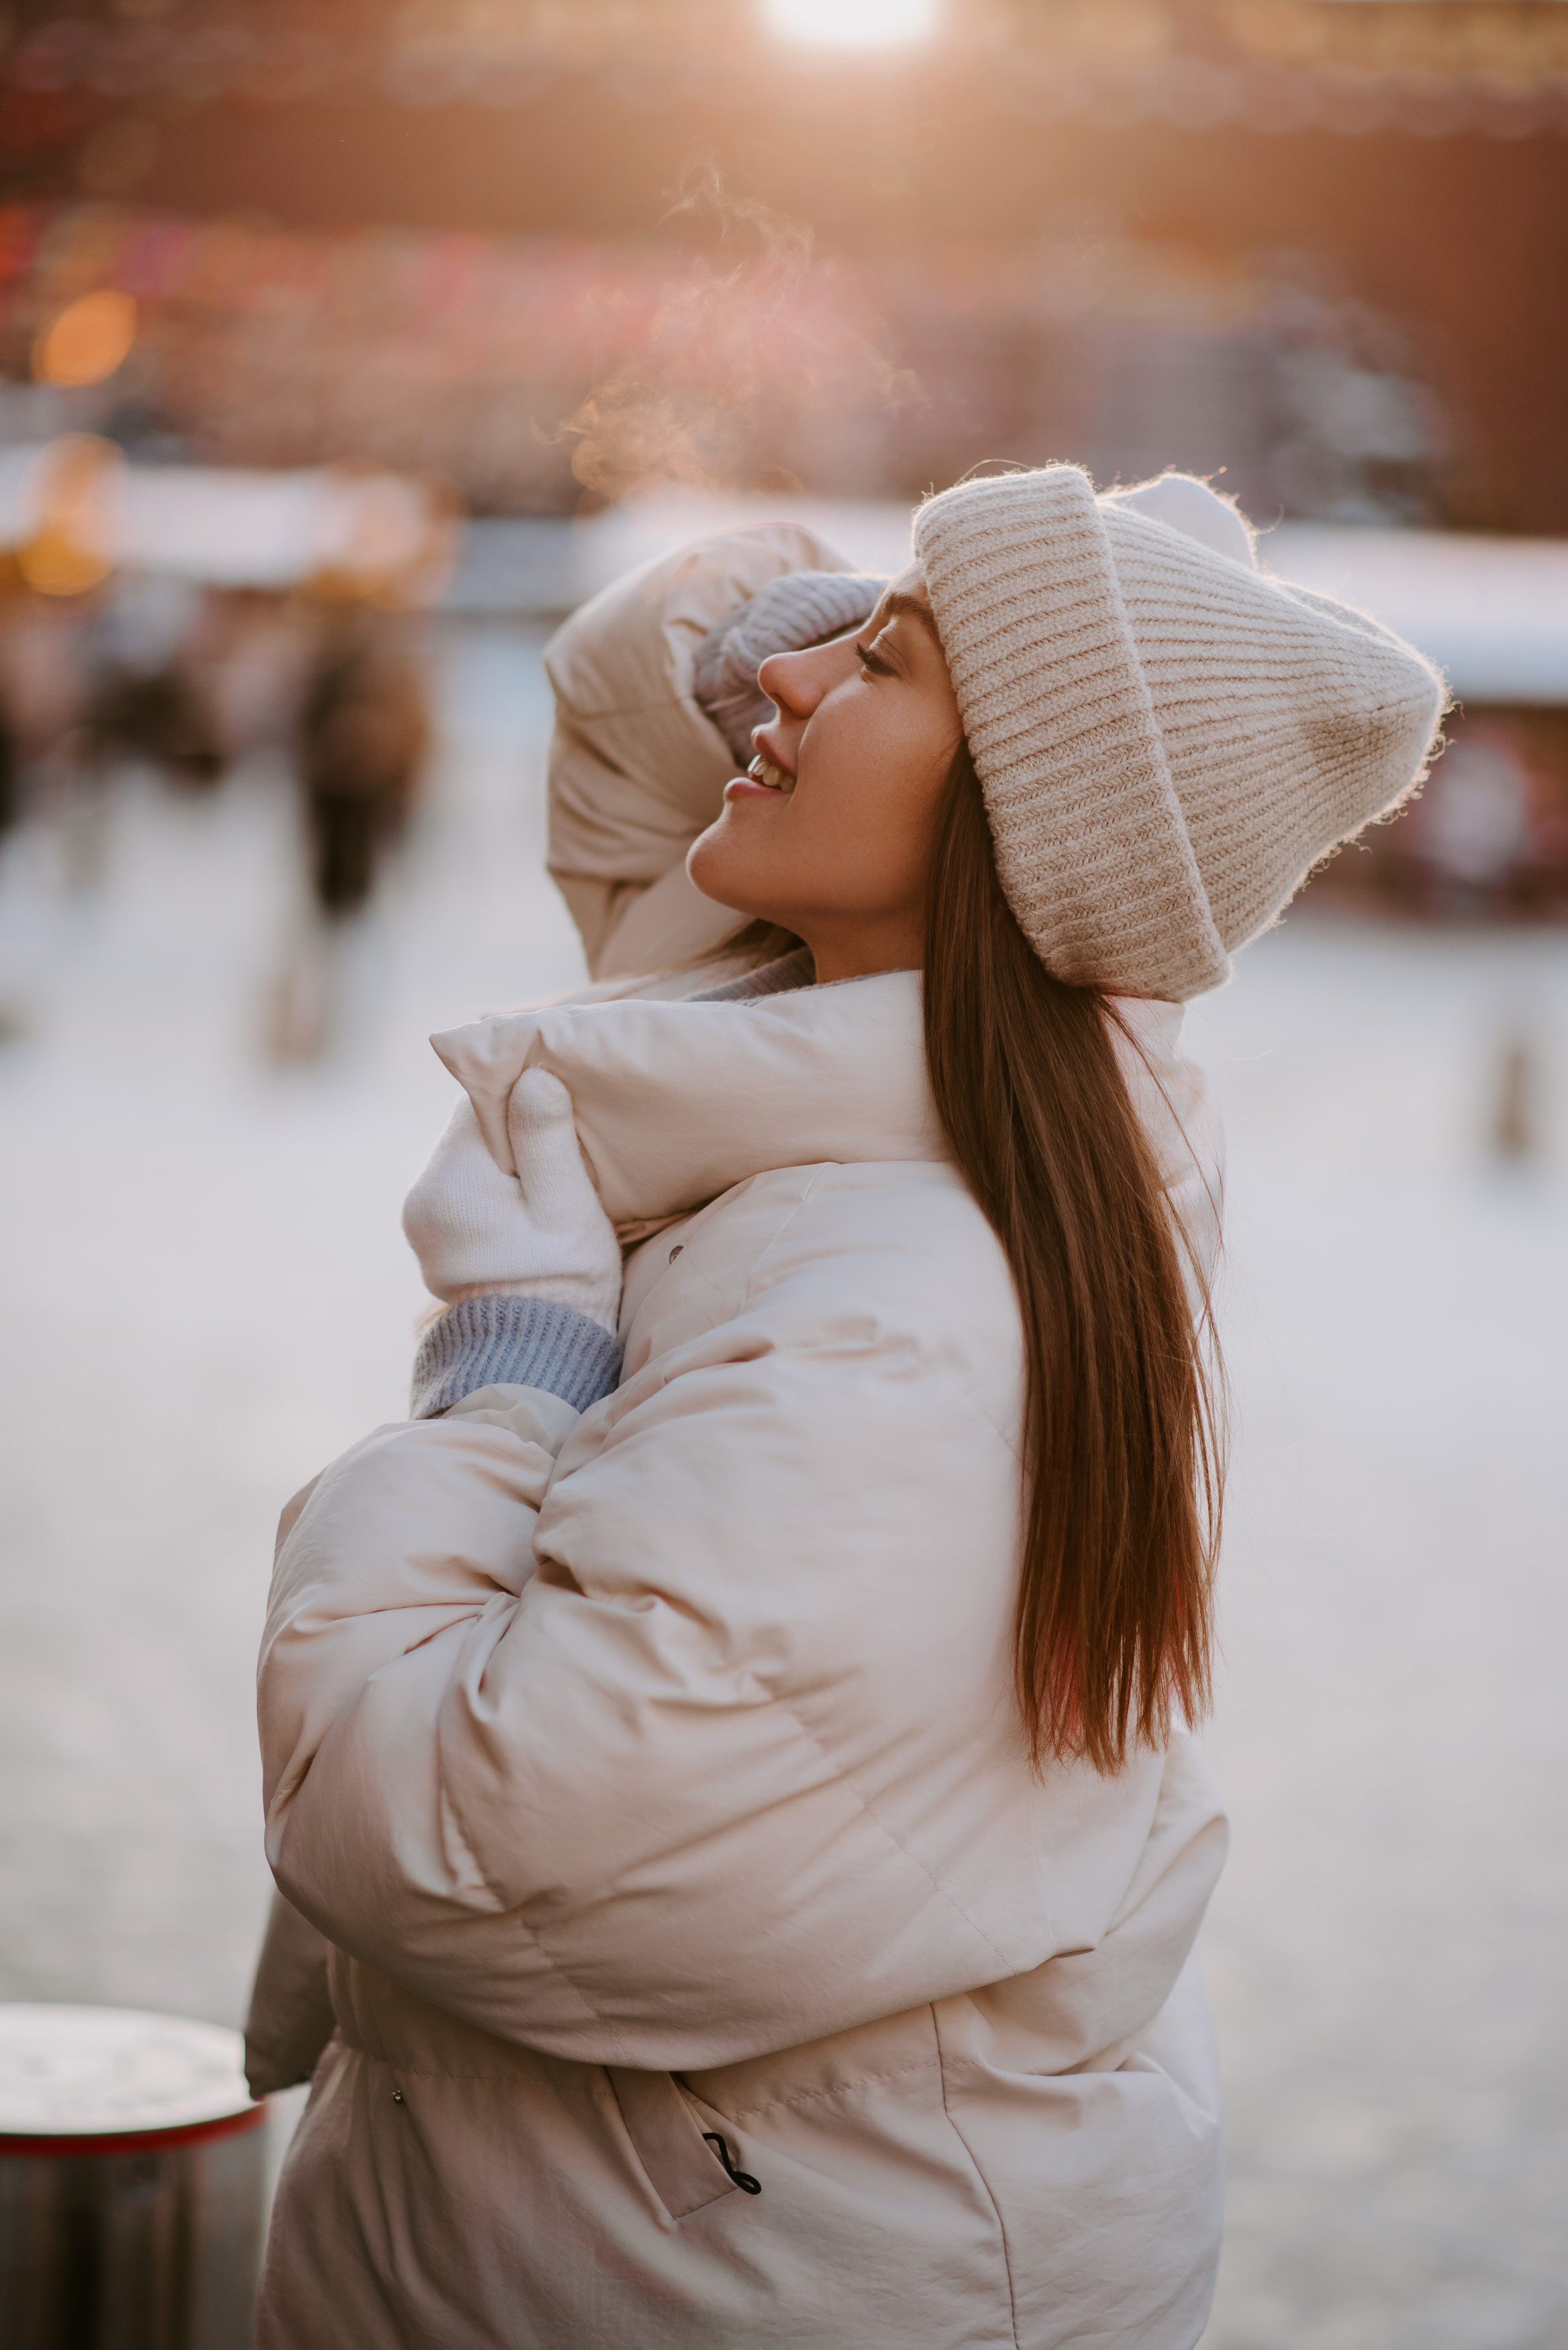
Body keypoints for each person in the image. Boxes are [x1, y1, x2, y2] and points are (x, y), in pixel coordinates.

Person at [246, 466, 1444, 2349]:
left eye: (879, 662)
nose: (792, 680)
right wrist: (874, 637)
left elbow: (463, 1828)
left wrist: (503, 1387)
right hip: (649, 2225)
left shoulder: (892, 1320)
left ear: (1012, 828)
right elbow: (619, 726)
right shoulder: (862, 1053)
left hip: (708, 2271)